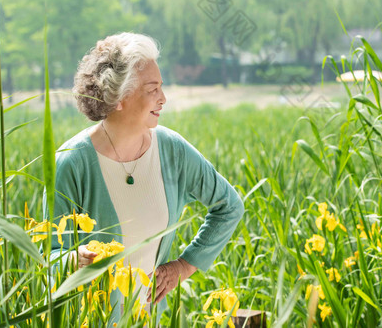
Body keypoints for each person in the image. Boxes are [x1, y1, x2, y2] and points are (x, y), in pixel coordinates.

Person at [49, 32, 244, 322]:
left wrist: (184, 266)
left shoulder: (172, 149)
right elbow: (49, 257)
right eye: (153, 89)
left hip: (153, 319)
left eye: (161, 87)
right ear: (120, 97)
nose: (163, 99)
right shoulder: (71, 163)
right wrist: (72, 259)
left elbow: (229, 207)